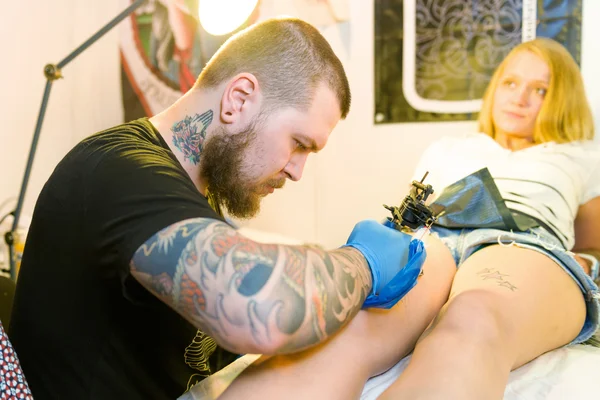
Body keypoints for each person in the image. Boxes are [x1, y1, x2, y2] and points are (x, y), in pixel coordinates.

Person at [9, 17, 417, 400]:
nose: (297, 171)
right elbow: (257, 303)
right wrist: (364, 265)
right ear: (238, 99)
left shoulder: (190, 192)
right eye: (299, 143)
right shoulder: (118, 170)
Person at [215, 38, 600, 400]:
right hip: (436, 239)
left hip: (520, 243)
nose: (520, 97)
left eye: (541, 89)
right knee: (351, 325)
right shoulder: (449, 148)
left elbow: (591, 244)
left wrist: (588, 260)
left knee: (473, 319)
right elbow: (412, 214)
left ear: (562, 99)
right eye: (511, 82)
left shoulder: (578, 155)